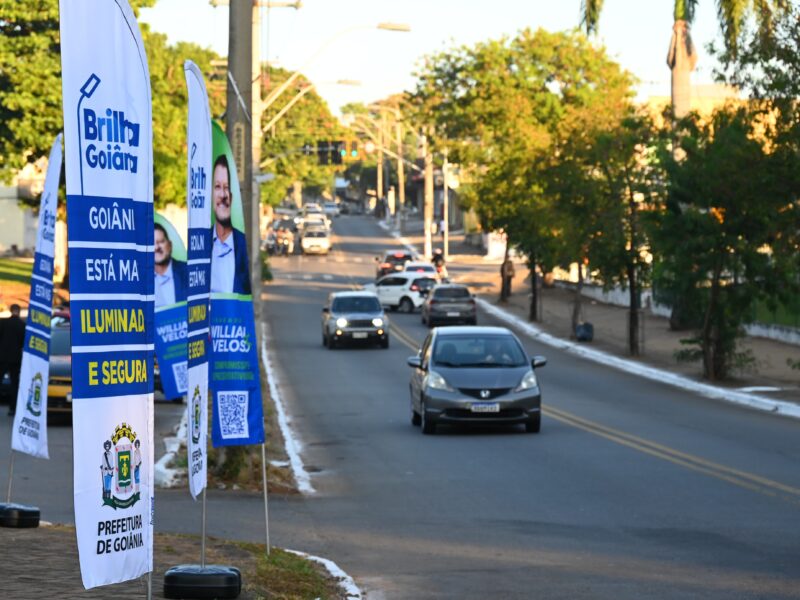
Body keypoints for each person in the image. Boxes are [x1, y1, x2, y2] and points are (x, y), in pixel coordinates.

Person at [210, 154, 251, 295]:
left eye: (227, 188)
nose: (223, 195)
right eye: (217, 187)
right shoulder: (200, 244)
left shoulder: (245, 245)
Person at [154, 222, 188, 308]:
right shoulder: (140, 280)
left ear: (170, 245)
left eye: (161, 242)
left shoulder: (188, 271)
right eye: (152, 243)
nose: (156, 247)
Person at [2, 304, 25, 416]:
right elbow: (23, 344)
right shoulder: (22, 325)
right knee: (14, 383)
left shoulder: (3, 323)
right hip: (16, 358)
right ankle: (12, 409)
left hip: (1, 357)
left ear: (11, 311)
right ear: (19, 311)